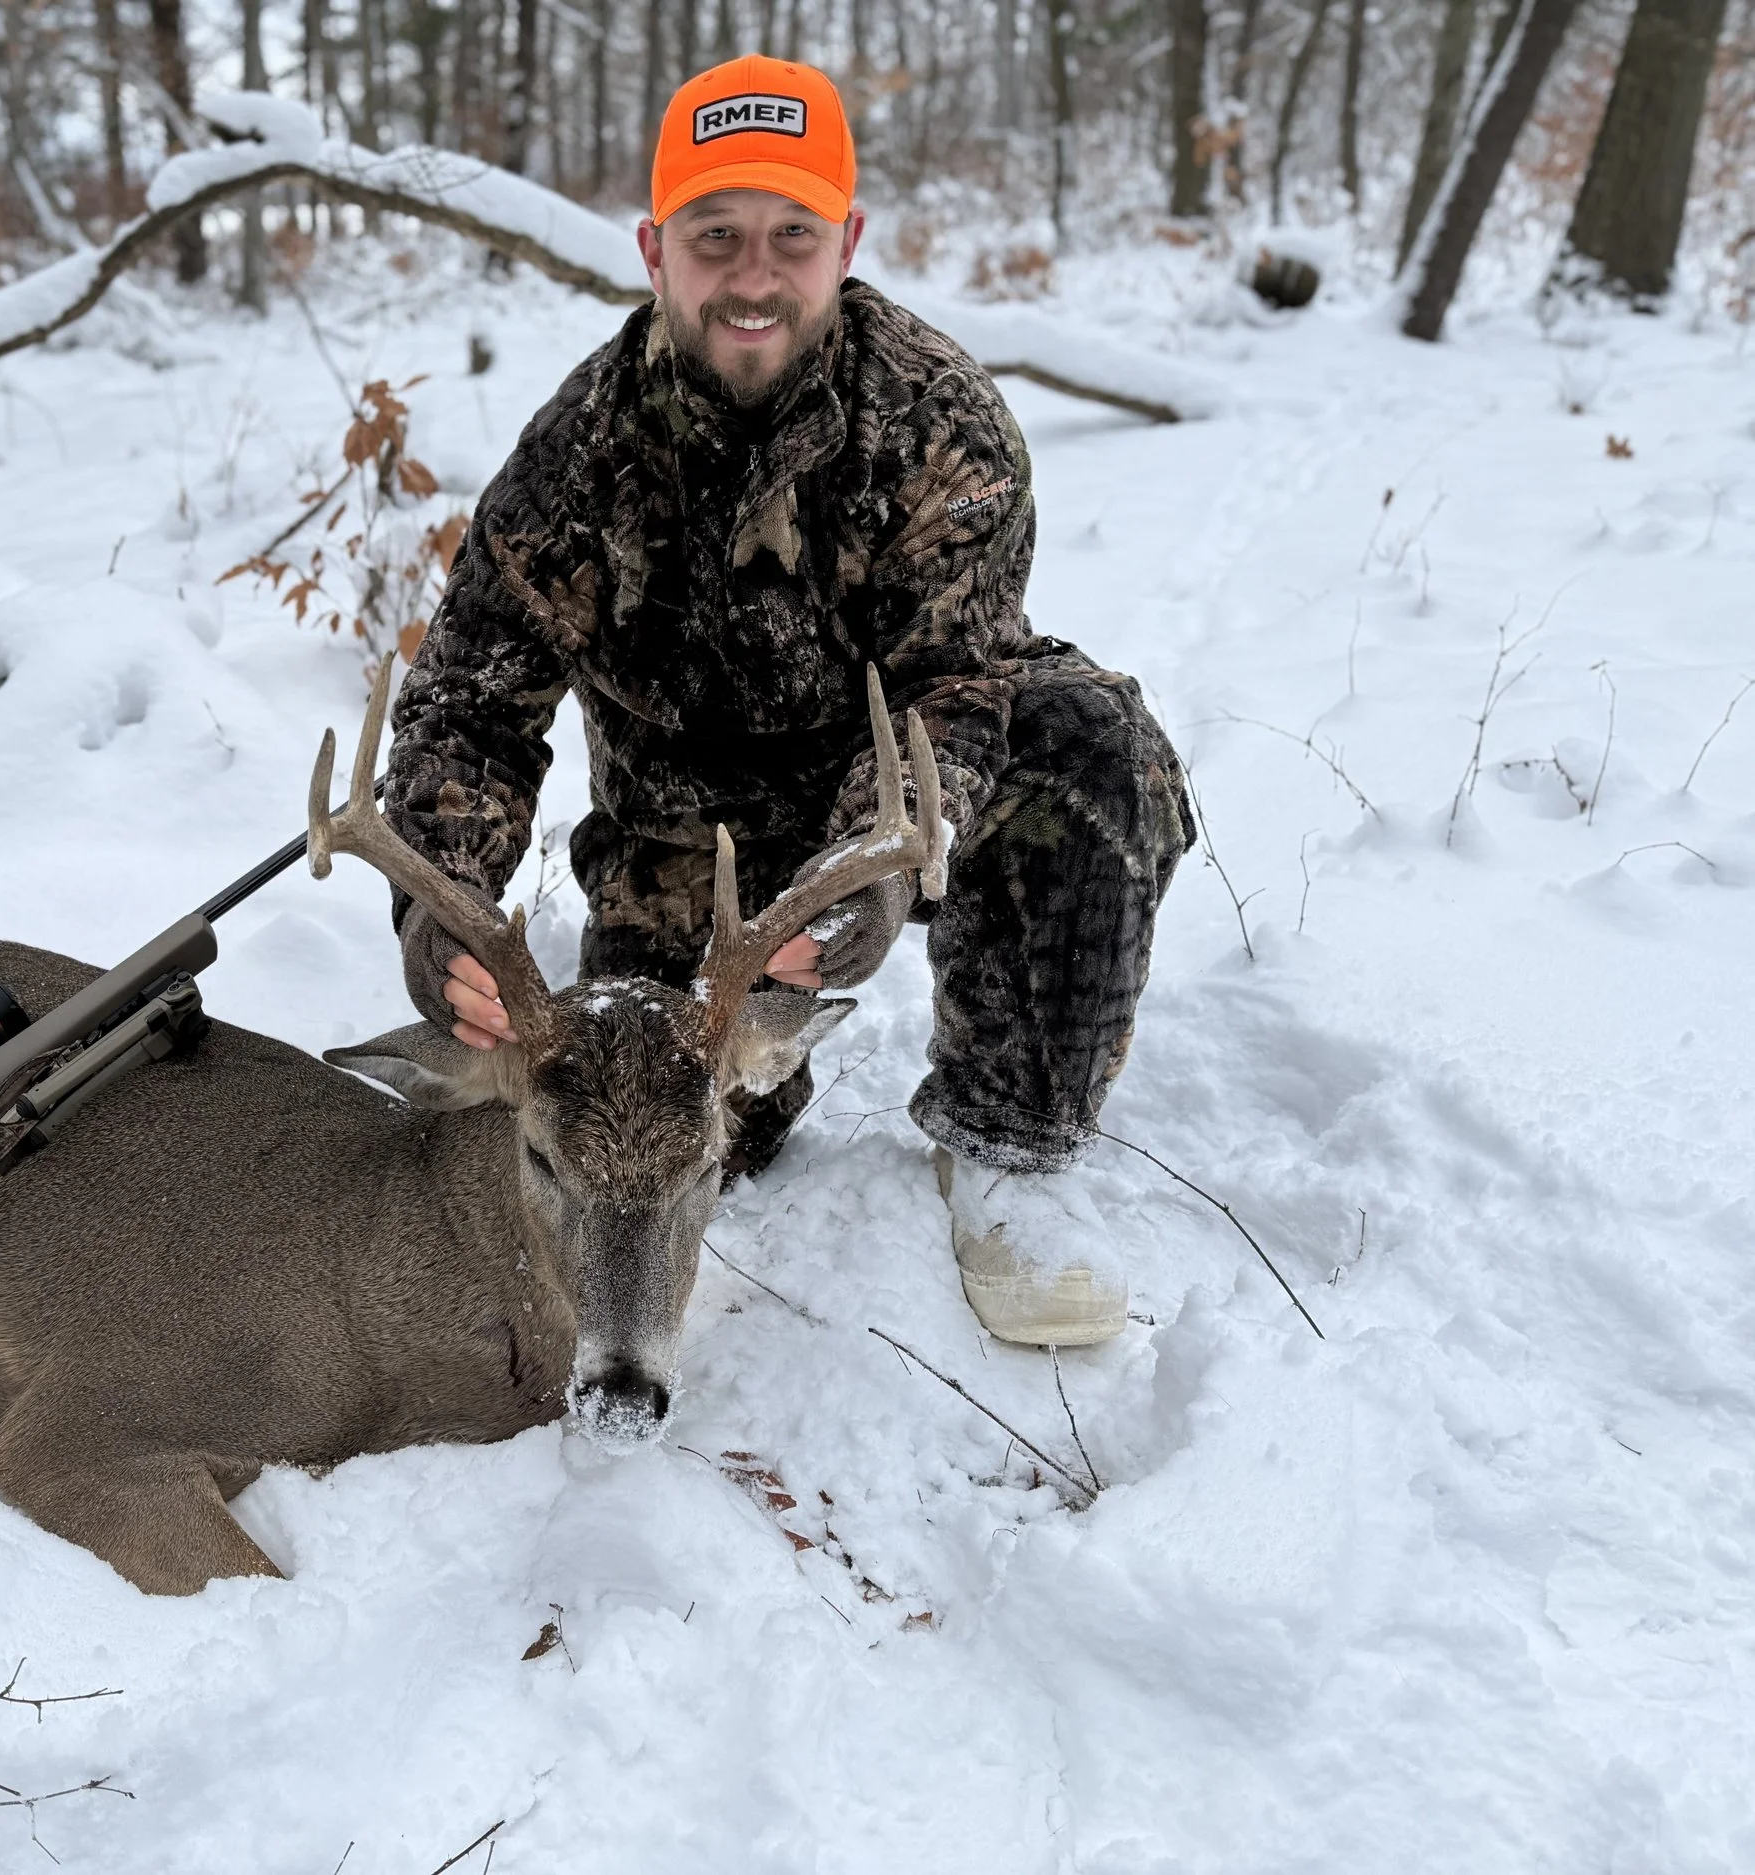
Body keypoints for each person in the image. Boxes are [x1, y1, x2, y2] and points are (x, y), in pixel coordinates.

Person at [382, 56, 1191, 1347]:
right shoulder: (575, 456)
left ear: (846, 245)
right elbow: (468, 710)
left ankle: (1009, 1148)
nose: (752, 278)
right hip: (682, 867)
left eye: (791, 238)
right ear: (656, 250)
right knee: (649, 1140)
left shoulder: (939, 424)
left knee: (1095, 747)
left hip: (877, 830)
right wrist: (442, 910)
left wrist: (876, 874)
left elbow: (954, 688)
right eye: (715, 237)